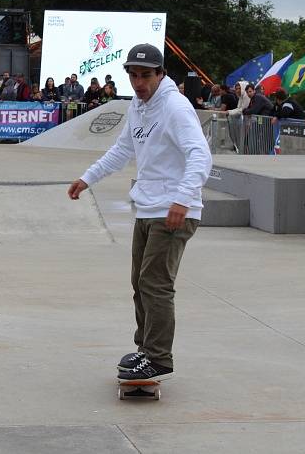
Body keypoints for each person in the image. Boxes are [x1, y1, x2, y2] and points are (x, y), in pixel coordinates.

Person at [67, 43, 212, 382]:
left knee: (155, 283)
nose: (139, 83)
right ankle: (145, 349)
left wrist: (183, 199)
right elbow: (122, 150)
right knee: (140, 282)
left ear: (161, 74)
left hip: (175, 210)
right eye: (133, 76)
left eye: (146, 76)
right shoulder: (137, 105)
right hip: (148, 207)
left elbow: (200, 156)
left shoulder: (175, 107)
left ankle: (159, 358)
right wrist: (88, 178)